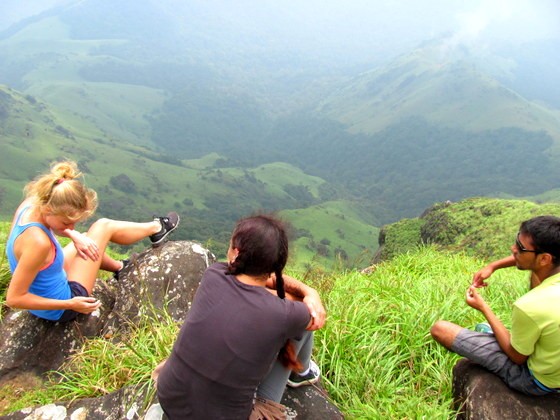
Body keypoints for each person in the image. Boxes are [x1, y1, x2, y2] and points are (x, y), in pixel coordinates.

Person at [156, 214, 326, 419]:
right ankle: (302, 373)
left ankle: (301, 372)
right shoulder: (282, 314)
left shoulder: (214, 274)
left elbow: (250, 290)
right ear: (275, 263)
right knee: (302, 326)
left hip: (169, 397)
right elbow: (315, 318)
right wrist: (310, 292)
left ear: (236, 253)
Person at [6, 160, 180, 322]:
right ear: (48, 209)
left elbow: (40, 234)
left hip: (44, 285)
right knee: (103, 226)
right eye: (66, 223)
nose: (71, 228)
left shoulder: (30, 205)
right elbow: (14, 299)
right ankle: (157, 228)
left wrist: (73, 236)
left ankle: (121, 268)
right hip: (63, 304)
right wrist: (71, 304)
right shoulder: (39, 243)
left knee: (85, 240)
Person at [431, 215, 560, 395]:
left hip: (537, 380)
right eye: (516, 241)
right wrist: (494, 266)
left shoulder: (530, 306)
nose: (513, 248)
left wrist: (483, 307)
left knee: (441, 329)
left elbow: (517, 357)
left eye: (520, 248)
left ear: (544, 259)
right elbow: (531, 259)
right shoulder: (553, 263)